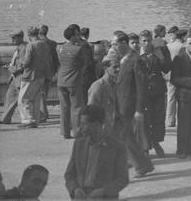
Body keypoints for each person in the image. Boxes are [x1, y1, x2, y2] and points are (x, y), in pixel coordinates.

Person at [111, 32, 154, 177]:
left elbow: (141, 86)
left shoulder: (136, 60)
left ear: (123, 43)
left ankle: (141, 165)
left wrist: (139, 110)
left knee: (126, 136)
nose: (114, 47)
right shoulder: (123, 59)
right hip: (121, 104)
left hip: (129, 106)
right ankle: (142, 164)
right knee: (124, 136)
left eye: (115, 44)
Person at [64, 105, 129, 199]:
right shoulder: (79, 144)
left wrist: (103, 191)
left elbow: (122, 179)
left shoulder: (117, 147)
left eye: (84, 124)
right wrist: (75, 189)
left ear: (97, 124)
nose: (80, 128)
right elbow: (69, 174)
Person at [138, 29, 171, 158]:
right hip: (144, 91)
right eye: (144, 41)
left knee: (158, 118)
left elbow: (167, 68)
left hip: (157, 89)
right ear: (140, 43)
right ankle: (145, 147)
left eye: (149, 40)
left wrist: (161, 57)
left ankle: (156, 143)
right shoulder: (137, 56)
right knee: (146, 119)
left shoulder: (158, 53)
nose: (147, 43)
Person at [18, 27, 47, 129]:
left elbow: (27, 62)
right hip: (41, 75)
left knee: (23, 99)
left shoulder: (31, 45)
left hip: (30, 75)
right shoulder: (44, 44)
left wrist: (21, 63)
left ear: (28, 35)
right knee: (36, 98)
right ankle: (35, 120)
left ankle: (28, 120)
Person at [0, 31, 26, 125]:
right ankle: (5, 118)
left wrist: (10, 68)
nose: (12, 40)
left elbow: (23, 65)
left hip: (19, 77)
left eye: (14, 38)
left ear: (21, 37)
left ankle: (5, 119)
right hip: (15, 77)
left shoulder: (23, 48)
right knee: (10, 97)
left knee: (15, 98)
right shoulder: (19, 47)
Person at [38, 24, 59, 123]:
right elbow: (56, 59)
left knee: (40, 93)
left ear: (39, 33)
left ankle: (43, 114)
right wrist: (55, 70)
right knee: (44, 93)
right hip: (50, 71)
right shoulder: (52, 43)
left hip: (41, 71)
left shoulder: (37, 43)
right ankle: (43, 113)